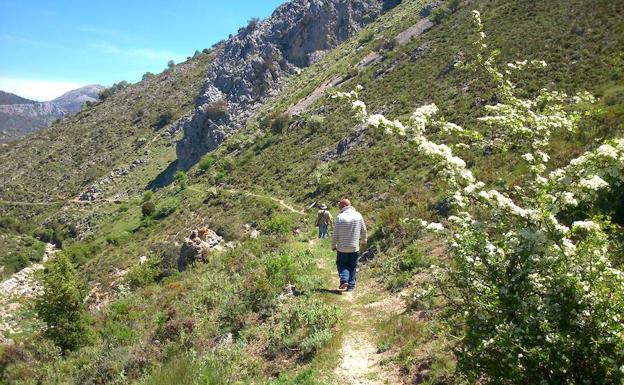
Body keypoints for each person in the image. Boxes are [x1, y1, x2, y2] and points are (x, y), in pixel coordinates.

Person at [332, 199, 367, 291]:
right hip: (354, 247)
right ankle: (351, 286)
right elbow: (364, 230)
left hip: (342, 248)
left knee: (341, 264)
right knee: (352, 266)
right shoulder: (358, 215)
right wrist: (364, 240)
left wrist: (333, 245)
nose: (339, 207)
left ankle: (344, 281)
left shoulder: (340, 217)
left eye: (340, 205)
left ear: (344, 206)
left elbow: (335, 233)